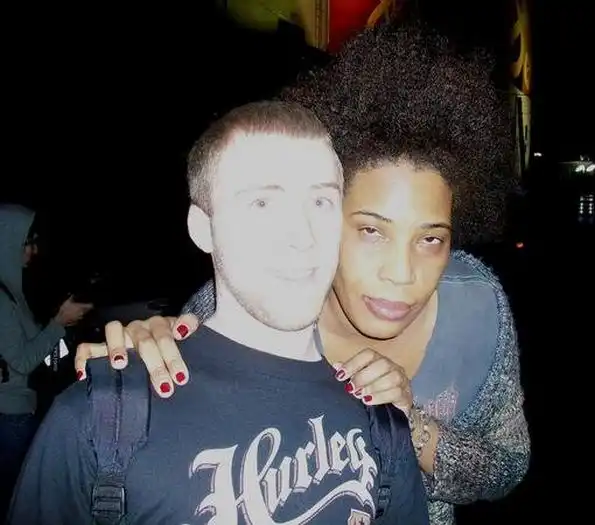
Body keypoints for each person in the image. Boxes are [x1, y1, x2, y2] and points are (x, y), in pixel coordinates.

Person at [75, 22, 530, 525]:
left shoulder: (477, 308)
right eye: (371, 231)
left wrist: (411, 426)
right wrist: (148, 353)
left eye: (430, 239)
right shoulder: (248, 300)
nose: (402, 274)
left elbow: (507, 466)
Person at [8, 102, 428, 525]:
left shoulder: (379, 422)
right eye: (262, 203)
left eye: (321, 201)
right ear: (202, 228)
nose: (302, 236)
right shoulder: (104, 419)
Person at [0, 204, 93, 518]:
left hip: (18, 411)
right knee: (20, 503)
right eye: (27, 242)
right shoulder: (1, 299)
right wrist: (58, 323)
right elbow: (22, 361)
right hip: (9, 416)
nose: (34, 250)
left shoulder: (11, 293)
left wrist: (58, 324)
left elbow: (26, 348)